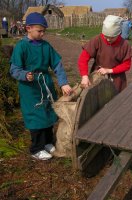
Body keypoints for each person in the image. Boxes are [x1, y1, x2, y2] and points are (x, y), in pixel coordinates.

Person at [10, 12, 72, 160]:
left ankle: (47, 142)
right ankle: (36, 148)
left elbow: (57, 64)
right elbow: (14, 69)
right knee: (35, 116)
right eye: (40, 31)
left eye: (44, 31)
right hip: (30, 88)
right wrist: (24, 75)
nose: (42, 34)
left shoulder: (46, 46)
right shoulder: (21, 47)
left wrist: (63, 83)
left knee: (48, 113)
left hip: (45, 85)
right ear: (28, 28)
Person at [78, 15, 132, 93]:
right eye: (106, 36)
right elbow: (83, 59)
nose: (108, 39)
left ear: (118, 33)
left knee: (117, 101)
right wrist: (84, 76)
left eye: (111, 37)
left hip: (117, 79)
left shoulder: (124, 44)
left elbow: (126, 65)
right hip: (97, 77)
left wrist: (110, 70)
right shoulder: (97, 40)